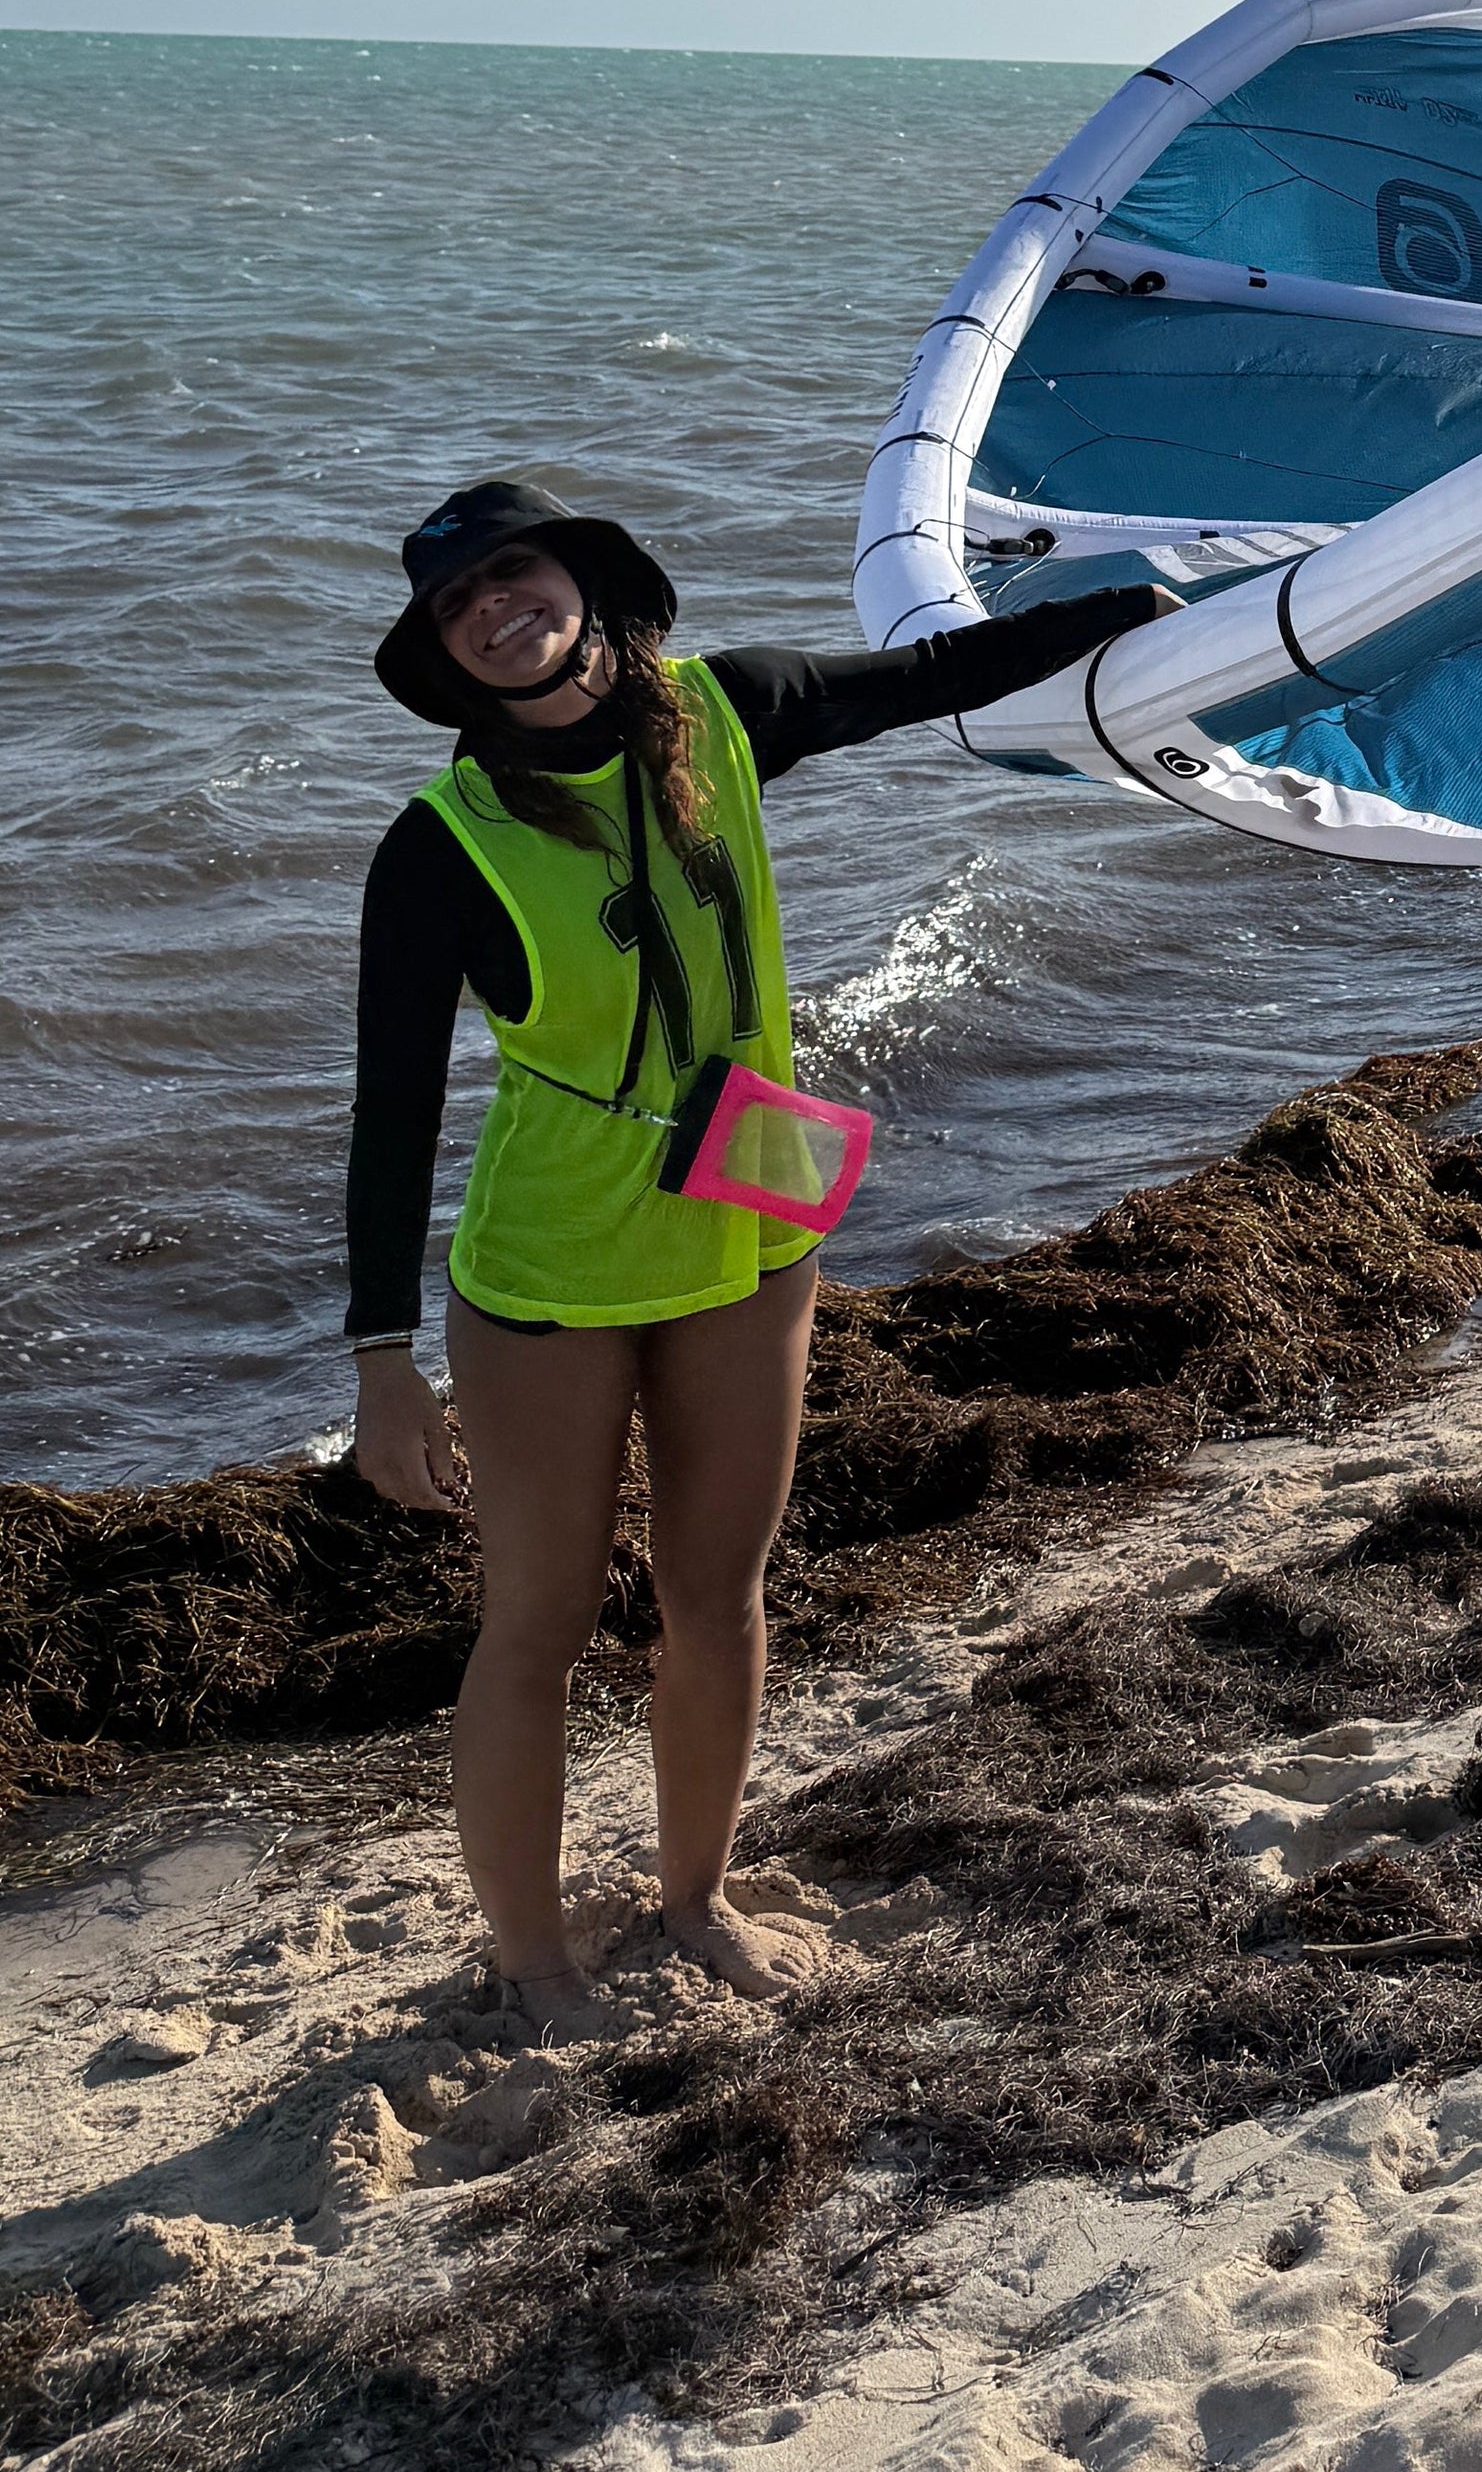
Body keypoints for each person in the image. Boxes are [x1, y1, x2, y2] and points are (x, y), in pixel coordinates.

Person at [346, 475, 1159, 2034]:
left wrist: (1137, 615)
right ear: (449, 655)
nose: (495, 610)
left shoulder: (728, 713)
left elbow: (934, 678)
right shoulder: (441, 844)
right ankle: (530, 1959)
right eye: (460, 607)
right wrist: (384, 1354)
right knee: (544, 1619)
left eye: (514, 575)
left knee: (717, 1592)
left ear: (583, 584)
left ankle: (695, 1895)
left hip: (749, 1217)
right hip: (550, 1271)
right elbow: (391, 1112)